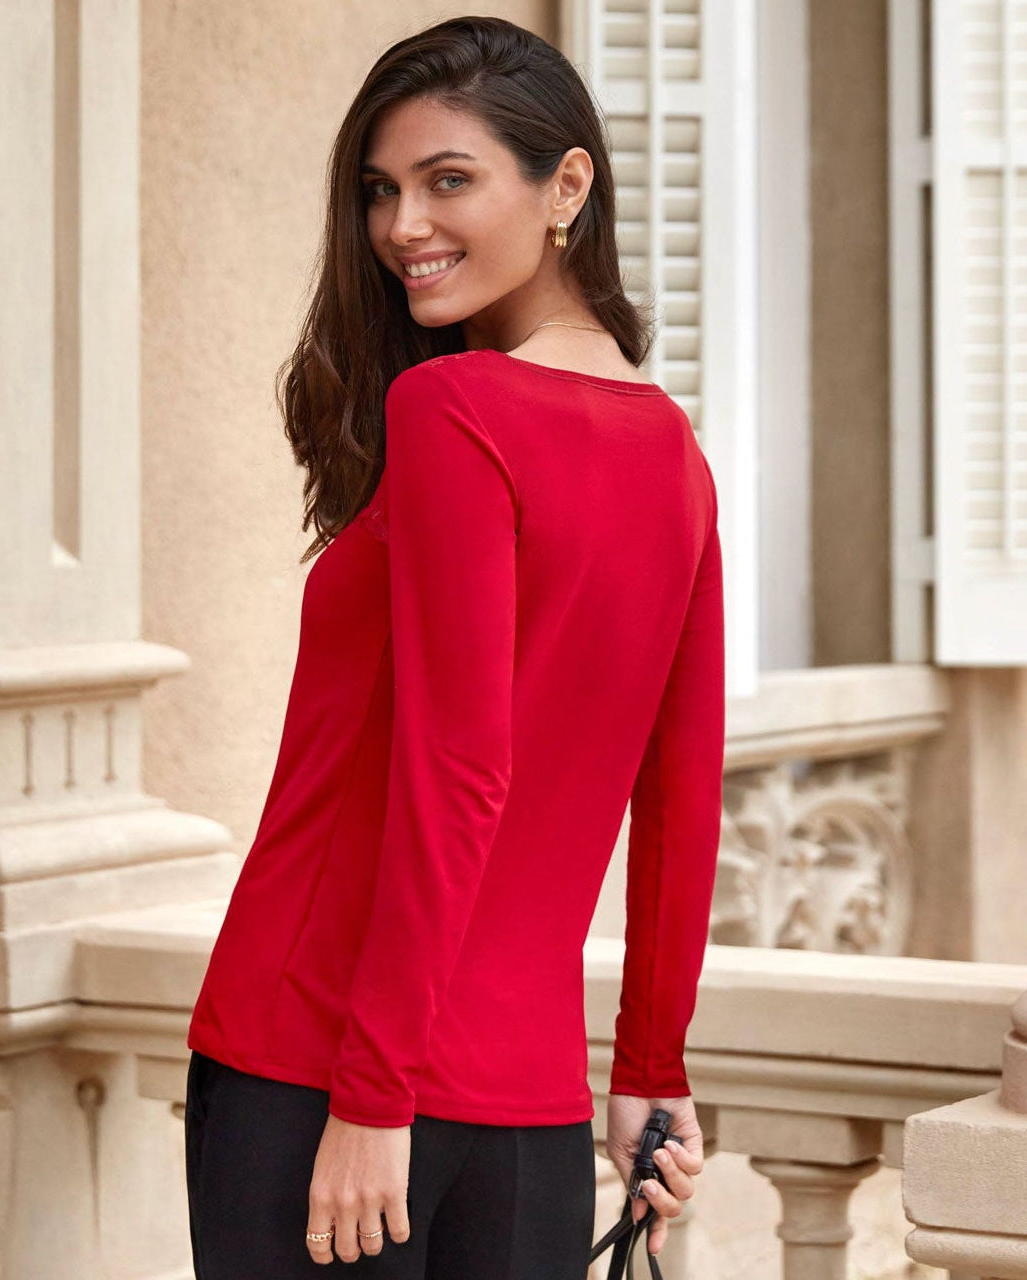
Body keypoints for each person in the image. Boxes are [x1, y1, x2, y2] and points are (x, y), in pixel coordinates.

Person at [183, 15, 725, 1278]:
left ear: (566, 187)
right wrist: (649, 1064)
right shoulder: (676, 457)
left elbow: (457, 765)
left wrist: (375, 1093)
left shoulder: (450, 408)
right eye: (381, 190)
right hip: (526, 1108)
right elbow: (681, 788)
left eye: (446, 180)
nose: (400, 226)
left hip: (319, 1068)